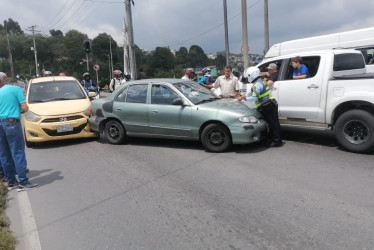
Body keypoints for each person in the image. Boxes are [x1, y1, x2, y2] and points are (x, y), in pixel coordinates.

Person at [0, 72, 39, 191]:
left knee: (4, 154)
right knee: (17, 153)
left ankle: (10, 182)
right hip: (12, 123)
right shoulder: (15, 89)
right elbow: (25, 108)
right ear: (5, 79)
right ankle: (23, 182)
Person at [237, 67, 282, 147]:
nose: (248, 78)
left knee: (273, 124)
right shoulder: (261, 81)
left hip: (268, 105)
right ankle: (274, 140)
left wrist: (244, 99)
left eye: (248, 76)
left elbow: (254, 97)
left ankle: (276, 141)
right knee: (274, 123)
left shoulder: (257, 84)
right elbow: (252, 93)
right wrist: (244, 96)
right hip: (271, 103)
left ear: (251, 75)